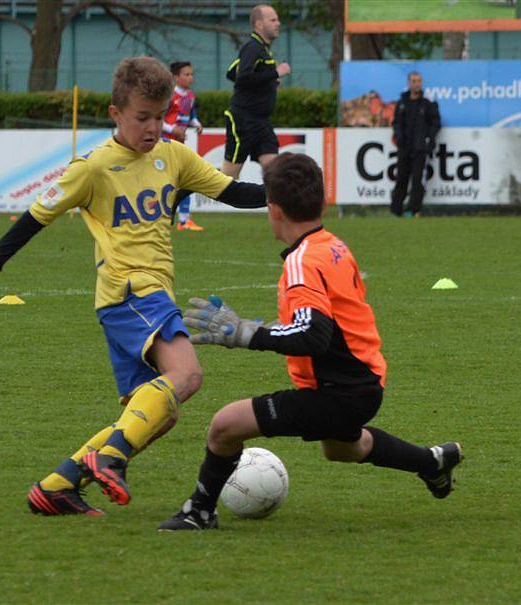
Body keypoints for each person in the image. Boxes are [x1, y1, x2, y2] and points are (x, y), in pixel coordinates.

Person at [0, 56, 266, 517]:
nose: (153, 127)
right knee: (188, 375)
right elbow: (36, 218)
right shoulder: (94, 166)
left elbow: (232, 192)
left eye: (160, 116)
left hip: (140, 299)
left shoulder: (173, 156)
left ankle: (57, 486)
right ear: (116, 114)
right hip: (130, 292)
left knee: (159, 415)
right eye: (142, 117)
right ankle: (111, 456)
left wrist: (283, 190)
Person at [158, 153, 462, 531]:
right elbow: (326, 325)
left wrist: (246, 334)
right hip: (362, 382)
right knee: (343, 448)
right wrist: (258, 327)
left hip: (337, 392)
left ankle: (199, 511)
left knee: (224, 426)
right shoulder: (332, 244)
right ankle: (432, 462)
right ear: (322, 202)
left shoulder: (302, 262)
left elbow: (312, 335)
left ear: (273, 209)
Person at [222, 4, 291, 179]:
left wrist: (269, 82)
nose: (278, 23)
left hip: (261, 122)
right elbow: (242, 78)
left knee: (275, 175)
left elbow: (232, 73)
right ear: (259, 24)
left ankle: (278, 206)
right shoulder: (252, 48)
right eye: (273, 20)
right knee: (226, 180)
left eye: (278, 19)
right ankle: (185, 189)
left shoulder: (262, 49)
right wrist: (276, 72)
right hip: (244, 120)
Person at [391, 71, 440, 217]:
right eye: (413, 81)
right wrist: (398, 135)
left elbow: (435, 123)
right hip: (404, 148)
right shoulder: (402, 103)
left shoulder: (428, 103)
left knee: (418, 180)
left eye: (418, 81)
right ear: (408, 83)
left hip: (420, 148)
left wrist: (429, 139)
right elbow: (396, 123)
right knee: (401, 179)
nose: (416, 83)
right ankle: (396, 210)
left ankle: (413, 210)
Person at [163, 60, 205, 232]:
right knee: (172, 180)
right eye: (186, 74)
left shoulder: (190, 96)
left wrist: (197, 123)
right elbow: (158, 119)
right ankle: (177, 218)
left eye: (191, 74)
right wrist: (172, 129)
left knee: (185, 177)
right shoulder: (169, 97)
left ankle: (184, 219)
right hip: (166, 142)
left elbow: (191, 115)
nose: (191, 78)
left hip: (180, 143)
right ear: (175, 77)